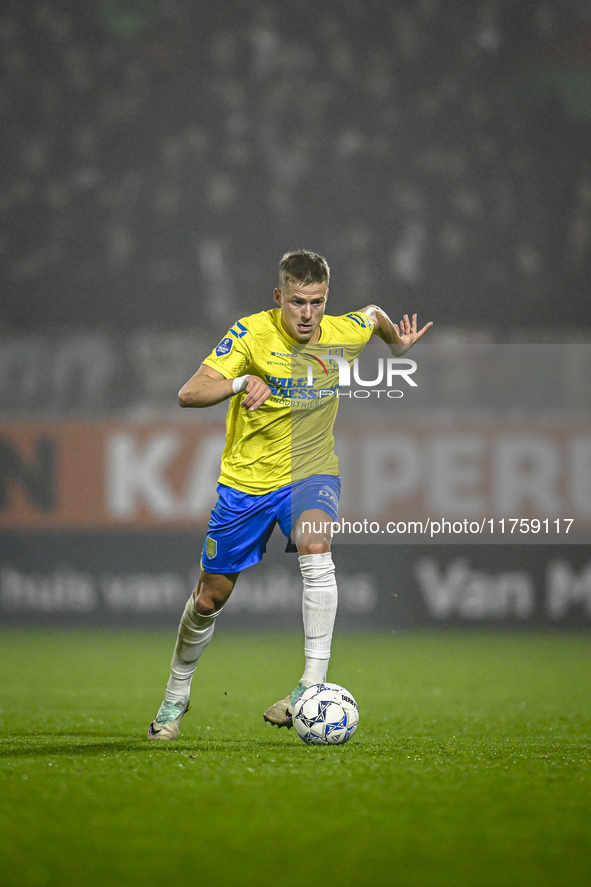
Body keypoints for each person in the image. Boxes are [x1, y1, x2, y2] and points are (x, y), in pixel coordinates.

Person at [147, 249, 432, 739]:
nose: (307, 314)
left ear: (327, 300)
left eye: (317, 302)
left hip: (312, 472)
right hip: (246, 484)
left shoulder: (342, 333)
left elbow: (375, 316)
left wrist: (396, 346)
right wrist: (240, 380)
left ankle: (309, 687)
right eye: (297, 301)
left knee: (316, 548)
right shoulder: (251, 334)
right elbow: (188, 393)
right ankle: (175, 697)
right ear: (279, 296)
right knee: (210, 598)